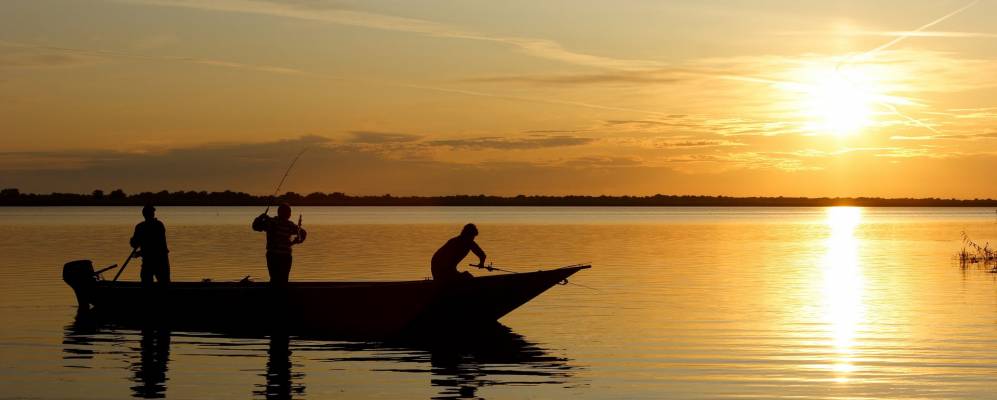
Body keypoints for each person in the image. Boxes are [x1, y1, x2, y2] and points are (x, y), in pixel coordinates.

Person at [252, 203, 306, 285]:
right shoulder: (289, 225)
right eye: (289, 212)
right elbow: (303, 233)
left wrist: (261, 217)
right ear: (287, 214)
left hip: (274, 256)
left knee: (274, 279)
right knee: (283, 280)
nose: (289, 214)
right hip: (285, 256)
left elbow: (255, 226)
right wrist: (297, 241)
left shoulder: (271, 222)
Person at [130, 204, 170, 288]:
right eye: (152, 212)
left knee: (159, 282)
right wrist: (139, 251)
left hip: (157, 260)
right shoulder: (158, 225)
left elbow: (153, 246)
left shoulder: (142, 227)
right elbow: (135, 244)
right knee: (159, 282)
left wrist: (139, 252)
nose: (153, 214)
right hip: (156, 260)